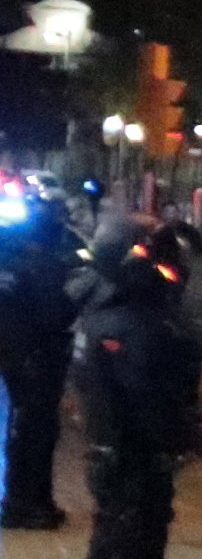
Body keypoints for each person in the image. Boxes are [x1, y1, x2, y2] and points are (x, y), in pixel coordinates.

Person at [70, 235, 199, 559]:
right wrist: (189, 436)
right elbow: (154, 407)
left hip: (108, 464)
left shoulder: (94, 319)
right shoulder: (143, 328)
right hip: (137, 470)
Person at [0, 193, 77, 528]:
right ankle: (29, 503)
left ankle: (25, 499)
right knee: (38, 430)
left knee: (21, 427)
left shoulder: (8, 262)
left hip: (12, 354)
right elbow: (56, 315)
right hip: (39, 357)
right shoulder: (47, 267)